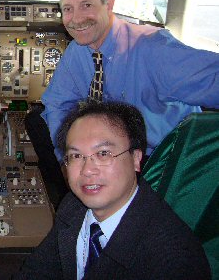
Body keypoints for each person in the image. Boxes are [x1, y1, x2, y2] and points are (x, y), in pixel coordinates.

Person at [40, 0, 219, 169]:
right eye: (68, 9)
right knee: (35, 123)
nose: (77, 19)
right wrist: (68, 157)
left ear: (108, 4)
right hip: (116, 154)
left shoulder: (153, 48)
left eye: (86, 5)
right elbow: (57, 103)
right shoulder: (77, 51)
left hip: (165, 158)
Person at [15, 101, 211, 280]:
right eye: (76, 156)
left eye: (103, 154)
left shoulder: (174, 259)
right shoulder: (74, 207)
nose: (87, 170)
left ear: (136, 158)